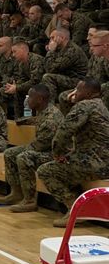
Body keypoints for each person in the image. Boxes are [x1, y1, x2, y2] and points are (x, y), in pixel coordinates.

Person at [38, 79, 109, 227]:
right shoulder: (101, 106)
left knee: (46, 171)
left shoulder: (84, 105)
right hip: (102, 161)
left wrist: (58, 154)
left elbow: (63, 132)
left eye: (78, 89)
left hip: (93, 162)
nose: (74, 92)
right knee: (68, 163)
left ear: (88, 92)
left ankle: (76, 210)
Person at [0, 84, 64, 212]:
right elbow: (37, 120)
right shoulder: (43, 110)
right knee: (9, 153)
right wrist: (25, 121)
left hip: (54, 153)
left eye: (31, 97)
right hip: (43, 148)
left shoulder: (51, 118)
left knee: (24, 157)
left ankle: (30, 200)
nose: (28, 100)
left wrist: (25, 149)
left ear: (40, 99)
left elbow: (39, 146)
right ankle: (16, 193)